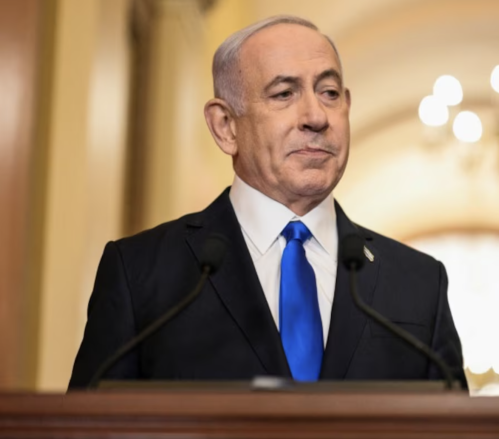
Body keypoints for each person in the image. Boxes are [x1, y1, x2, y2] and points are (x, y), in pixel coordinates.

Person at [69, 15, 468, 388]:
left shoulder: (419, 285)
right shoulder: (141, 274)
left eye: (329, 93)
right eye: (284, 93)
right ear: (226, 127)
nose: (316, 116)